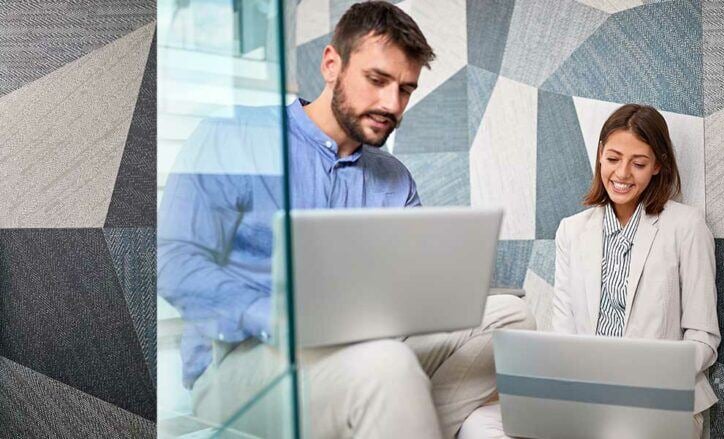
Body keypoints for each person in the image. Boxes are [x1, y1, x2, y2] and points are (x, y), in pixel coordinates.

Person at [158, 2, 533, 438]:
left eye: (405, 90)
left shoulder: (394, 179)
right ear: (332, 64)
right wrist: (274, 316)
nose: (391, 103)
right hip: (245, 360)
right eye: (377, 80)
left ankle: (398, 421)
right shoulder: (234, 136)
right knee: (385, 365)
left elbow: (409, 287)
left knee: (512, 320)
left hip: (367, 351)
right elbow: (174, 260)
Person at [459, 104, 719, 439]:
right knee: (479, 424)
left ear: (658, 165)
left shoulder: (686, 226)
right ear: (599, 156)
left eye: (638, 163)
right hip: (585, 396)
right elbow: (564, 331)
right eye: (613, 158)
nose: (622, 173)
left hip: (661, 401)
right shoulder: (571, 230)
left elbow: (704, 338)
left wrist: (648, 375)